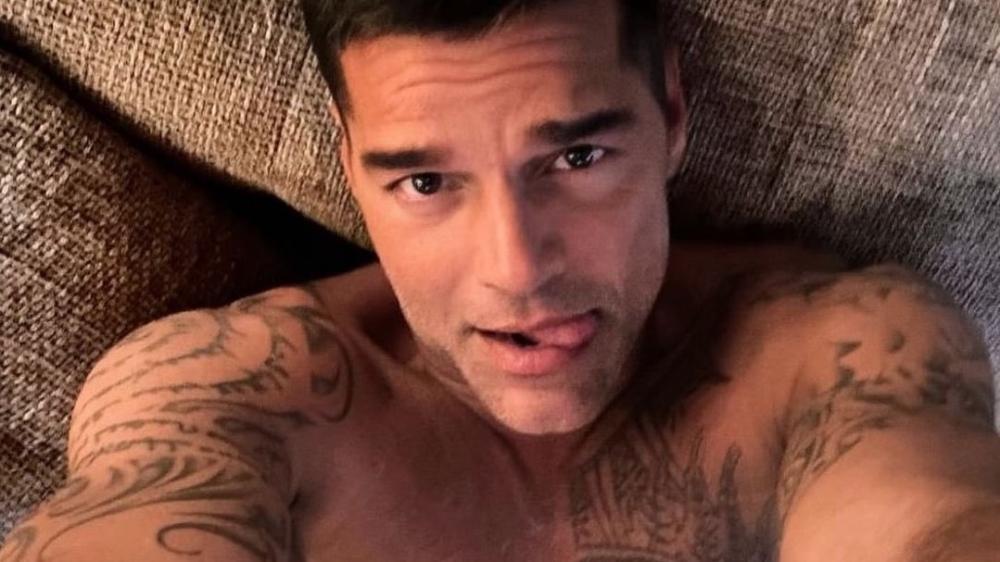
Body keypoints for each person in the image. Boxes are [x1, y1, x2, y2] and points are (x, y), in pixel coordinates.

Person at [3, 0, 998, 560]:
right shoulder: (229, 393)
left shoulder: (838, 349)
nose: (518, 269)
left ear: (670, 114)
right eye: (425, 182)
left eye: (576, 158)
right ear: (351, 164)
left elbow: (927, 514)